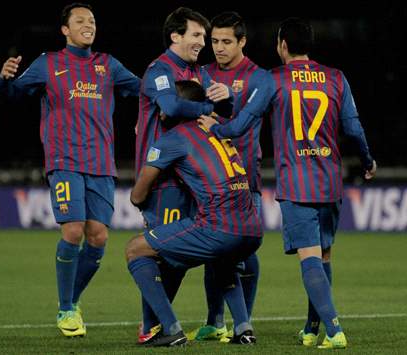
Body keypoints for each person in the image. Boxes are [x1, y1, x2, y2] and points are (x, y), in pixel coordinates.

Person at [199, 17, 377, 349]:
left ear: (282, 45)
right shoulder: (337, 78)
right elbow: (353, 129)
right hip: (329, 180)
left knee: (309, 257)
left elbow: (241, 124)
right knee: (323, 256)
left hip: (297, 182)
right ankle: (312, 329)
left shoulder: (272, 80)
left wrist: (215, 128)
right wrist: (367, 161)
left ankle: (334, 329)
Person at [0, 3, 140, 338]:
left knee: (99, 237)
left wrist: (177, 85)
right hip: (65, 162)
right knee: (73, 231)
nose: (88, 25)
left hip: (101, 164)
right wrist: (4, 80)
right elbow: (13, 95)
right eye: (80, 21)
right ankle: (64, 309)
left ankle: (72, 302)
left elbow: (145, 88)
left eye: (92, 20)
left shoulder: (108, 65)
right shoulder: (48, 64)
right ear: (65, 29)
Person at [127, 80, 262, 347]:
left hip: (218, 226)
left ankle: (171, 329)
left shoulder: (173, 139)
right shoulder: (217, 127)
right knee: (223, 260)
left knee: (135, 249)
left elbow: (137, 195)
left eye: (165, 102)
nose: (160, 109)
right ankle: (244, 329)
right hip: (252, 227)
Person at [134, 7, 233, 343]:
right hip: (163, 177)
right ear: (175, 35)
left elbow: (223, 110)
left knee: (176, 254)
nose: (202, 42)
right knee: (161, 252)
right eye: (196, 35)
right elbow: (173, 108)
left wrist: (226, 98)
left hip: (193, 175)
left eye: (203, 37)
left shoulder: (197, 71)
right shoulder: (159, 70)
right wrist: (209, 107)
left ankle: (158, 325)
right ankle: (152, 327)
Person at [188, 11, 269, 341]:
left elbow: (245, 123)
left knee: (244, 254)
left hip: (245, 177)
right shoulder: (202, 73)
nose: (218, 48)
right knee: (213, 253)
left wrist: (221, 117)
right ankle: (215, 320)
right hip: (206, 181)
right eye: (214, 41)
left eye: (226, 42)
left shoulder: (259, 77)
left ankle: (243, 321)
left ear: (242, 42)